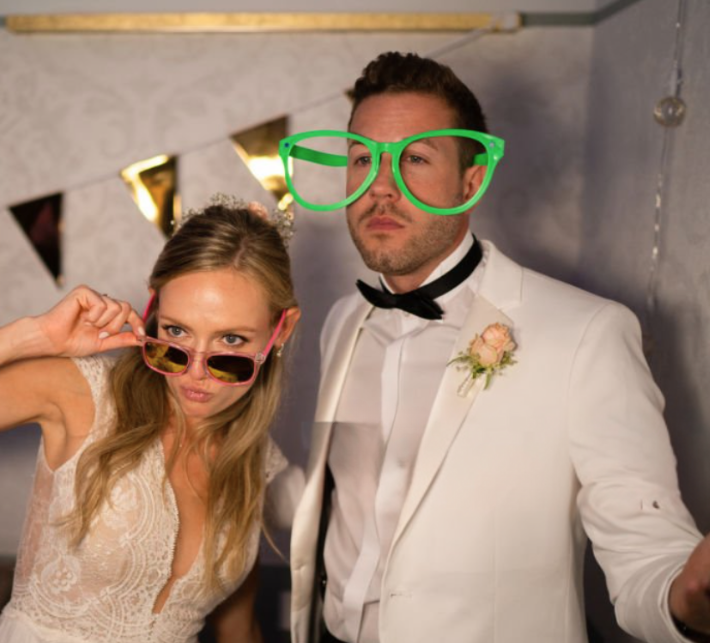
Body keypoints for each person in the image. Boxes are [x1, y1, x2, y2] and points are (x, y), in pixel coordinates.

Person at [282, 52, 710, 643]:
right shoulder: (342, 320)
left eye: (414, 158)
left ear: (472, 179)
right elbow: (342, 505)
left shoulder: (588, 333)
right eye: (362, 159)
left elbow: (644, 540)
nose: (380, 186)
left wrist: (685, 599)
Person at [0, 201, 302, 643]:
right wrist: (30, 336)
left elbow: (237, 629)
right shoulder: (85, 395)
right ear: (153, 309)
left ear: (281, 331)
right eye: (175, 334)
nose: (195, 372)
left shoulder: (254, 460)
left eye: (232, 343)